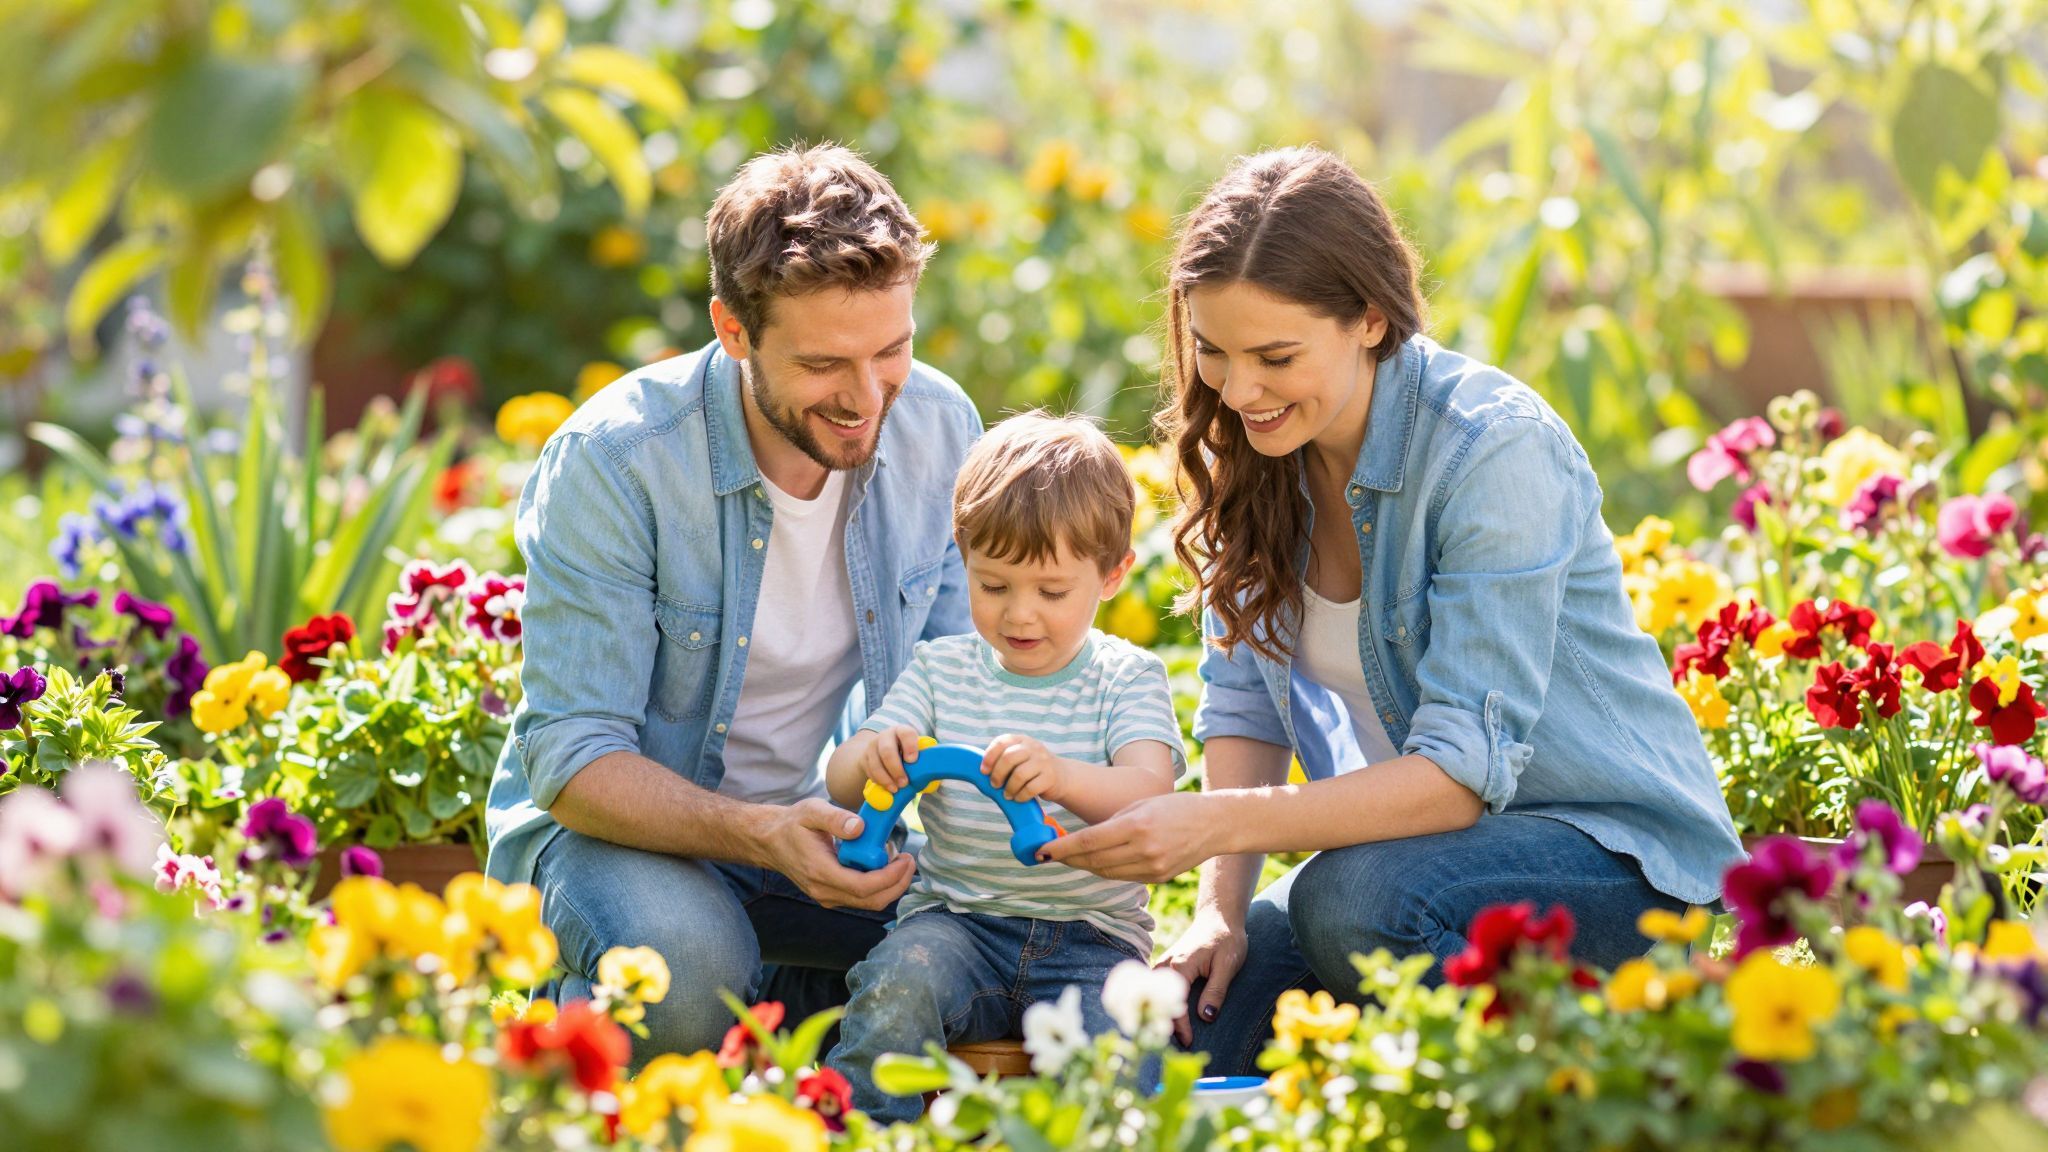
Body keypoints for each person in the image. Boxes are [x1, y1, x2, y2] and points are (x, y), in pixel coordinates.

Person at [1039, 146, 1745, 1076]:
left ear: (1370, 317)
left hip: (1622, 871)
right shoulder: (1258, 459)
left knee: (1351, 904)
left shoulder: (1493, 453)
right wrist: (1216, 908)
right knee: (1132, 1025)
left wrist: (1211, 823)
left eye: (1275, 356)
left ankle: (1545, 1090)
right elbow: (1246, 706)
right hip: (1420, 876)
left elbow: (1457, 776)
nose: (1237, 391)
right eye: (1212, 351)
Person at [483, 144, 983, 1057]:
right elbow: (572, 756)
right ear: (734, 329)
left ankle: (783, 1006)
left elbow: (962, 689)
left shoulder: (941, 428)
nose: (869, 397)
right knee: (680, 975)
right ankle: (553, 1045)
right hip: (625, 842)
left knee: (996, 960)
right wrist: (760, 835)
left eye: (894, 348)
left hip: (824, 838)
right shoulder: (617, 461)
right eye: (828, 363)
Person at [821, 413, 1184, 1122]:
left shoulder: (1125, 677)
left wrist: (1061, 775)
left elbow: (1151, 793)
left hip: (1091, 939)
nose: (1020, 614)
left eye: (1051, 592)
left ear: (1112, 576)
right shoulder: (940, 670)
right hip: (958, 923)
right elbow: (841, 777)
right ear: (964, 559)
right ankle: (861, 1133)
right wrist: (875, 756)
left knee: (1124, 1052)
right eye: (993, 585)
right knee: (896, 986)